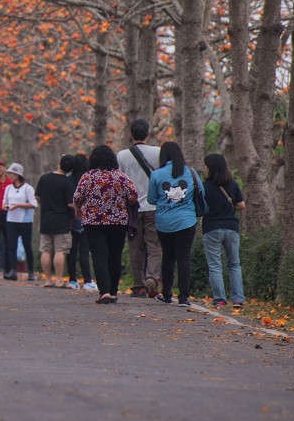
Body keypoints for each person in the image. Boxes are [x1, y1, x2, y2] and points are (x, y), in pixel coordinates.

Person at [72, 146, 138, 304]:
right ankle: (114, 291)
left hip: (94, 222)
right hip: (118, 222)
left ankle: (105, 292)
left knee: (99, 255)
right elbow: (133, 196)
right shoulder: (121, 176)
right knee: (115, 256)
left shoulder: (88, 177)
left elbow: (77, 197)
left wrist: (78, 209)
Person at [147, 141, 204, 308]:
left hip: (164, 223)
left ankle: (166, 295)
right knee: (184, 257)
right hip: (187, 221)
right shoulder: (191, 172)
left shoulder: (156, 174)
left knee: (168, 257)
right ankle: (184, 297)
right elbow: (201, 191)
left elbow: (151, 199)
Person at [116, 119, 162, 298]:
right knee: (155, 245)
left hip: (132, 208)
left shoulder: (121, 156)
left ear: (130, 134)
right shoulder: (157, 153)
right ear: (148, 133)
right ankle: (153, 278)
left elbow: (120, 181)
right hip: (154, 206)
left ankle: (139, 285)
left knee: (136, 247)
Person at [201, 154, 246, 309]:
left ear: (210, 167)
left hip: (211, 228)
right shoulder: (232, 184)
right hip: (231, 228)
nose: (204, 168)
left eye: (205, 165)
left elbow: (200, 208)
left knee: (215, 266)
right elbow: (242, 205)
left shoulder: (204, 186)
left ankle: (220, 299)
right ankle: (238, 300)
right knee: (234, 264)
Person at [35, 155, 76, 287]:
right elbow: (71, 203)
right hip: (62, 220)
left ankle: (48, 280)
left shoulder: (44, 178)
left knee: (45, 249)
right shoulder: (68, 182)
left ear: (59, 163)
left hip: (46, 219)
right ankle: (58, 280)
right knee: (60, 250)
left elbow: (37, 196)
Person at [65, 152, 97, 292]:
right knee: (84, 250)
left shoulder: (68, 179)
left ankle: (72, 279)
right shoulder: (89, 179)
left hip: (70, 219)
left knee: (71, 251)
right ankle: (88, 280)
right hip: (87, 218)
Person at [2, 163, 37, 280]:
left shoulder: (28, 188)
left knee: (27, 246)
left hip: (25, 221)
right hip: (11, 220)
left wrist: (18, 205)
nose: (10, 175)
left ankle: (31, 271)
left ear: (17, 175)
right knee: (12, 246)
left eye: (12, 173)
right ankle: (13, 270)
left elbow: (33, 204)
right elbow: (4, 203)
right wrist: (7, 207)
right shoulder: (8, 188)